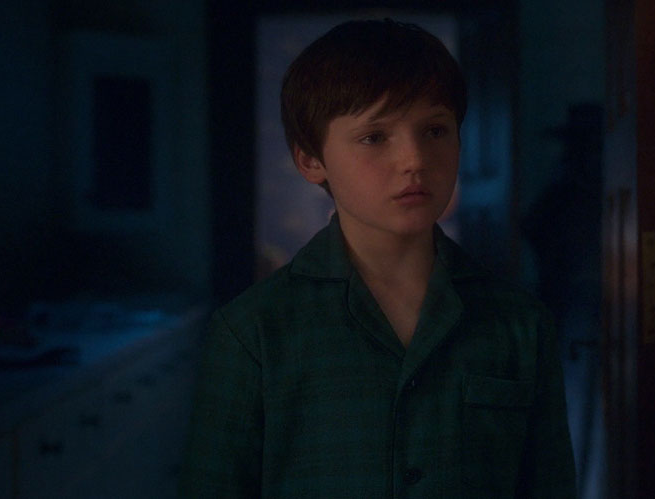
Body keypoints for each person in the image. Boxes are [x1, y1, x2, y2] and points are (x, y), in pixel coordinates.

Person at [179, 19, 576, 498]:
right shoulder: (254, 331)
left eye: (435, 130)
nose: (414, 159)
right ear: (311, 160)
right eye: (374, 137)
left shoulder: (520, 324)